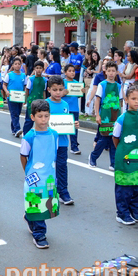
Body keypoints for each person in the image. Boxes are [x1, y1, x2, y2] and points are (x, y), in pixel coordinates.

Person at [21, 99, 60, 249]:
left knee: (46, 203)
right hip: (34, 177)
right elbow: (23, 155)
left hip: (49, 175)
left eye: (46, 116)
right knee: (36, 203)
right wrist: (27, 172)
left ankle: (29, 218)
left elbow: (54, 154)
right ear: (32, 117)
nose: (43, 119)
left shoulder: (54, 135)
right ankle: (39, 234)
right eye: (40, 116)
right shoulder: (29, 137)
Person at [112, 86, 138, 225]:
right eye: (133, 98)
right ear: (126, 100)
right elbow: (115, 137)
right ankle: (122, 213)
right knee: (125, 185)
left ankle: (133, 208)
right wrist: (122, 150)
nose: (137, 101)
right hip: (125, 155)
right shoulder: (122, 118)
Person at [46, 76, 79, 206]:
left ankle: (63, 192)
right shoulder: (45, 104)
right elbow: (40, 122)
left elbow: (67, 122)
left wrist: (73, 124)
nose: (58, 92)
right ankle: (48, 191)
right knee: (48, 167)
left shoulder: (65, 105)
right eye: (55, 90)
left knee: (62, 167)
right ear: (49, 89)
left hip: (63, 142)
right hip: (48, 142)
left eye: (60, 89)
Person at [91, 62, 123, 170]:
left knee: (114, 139)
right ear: (105, 71)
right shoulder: (102, 84)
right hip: (105, 115)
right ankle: (93, 157)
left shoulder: (119, 86)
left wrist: (122, 116)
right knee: (103, 139)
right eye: (109, 71)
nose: (111, 73)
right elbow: (97, 100)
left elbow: (121, 102)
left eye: (113, 71)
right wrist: (97, 115)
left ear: (116, 72)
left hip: (116, 116)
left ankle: (113, 163)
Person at [3, 56, 26, 138]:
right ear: (12, 65)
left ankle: (13, 129)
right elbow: (4, 85)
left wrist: (25, 95)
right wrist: (6, 92)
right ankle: (17, 129)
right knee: (14, 113)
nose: (17, 65)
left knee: (17, 113)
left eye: (19, 64)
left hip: (20, 98)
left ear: (21, 65)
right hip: (11, 97)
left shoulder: (23, 75)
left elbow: (25, 86)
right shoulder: (9, 75)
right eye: (15, 64)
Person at [62, 63, 83, 154]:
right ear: (65, 72)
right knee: (63, 127)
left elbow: (78, 96)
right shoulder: (62, 83)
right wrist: (63, 93)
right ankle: (62, 144)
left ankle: (74, 146)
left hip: (75, 108)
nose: (72, 73)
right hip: (65, 108)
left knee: (74, 128)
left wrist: (81, 92)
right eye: (69, 71)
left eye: (73, 71)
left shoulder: (77, 83)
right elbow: (58, 95)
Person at [23, 60, 47, 134]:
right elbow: (27, 90)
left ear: (43, 69)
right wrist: (25, 101)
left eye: (40, 68)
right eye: (37, 68)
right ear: (34, 69)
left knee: (39, 119)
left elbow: (44, 91)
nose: (38, 70)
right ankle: (25, 134)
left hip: (40, 102)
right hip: (31, 101)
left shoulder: (44, 80)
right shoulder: (31, 79)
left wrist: (45, 101)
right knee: (29, 119)